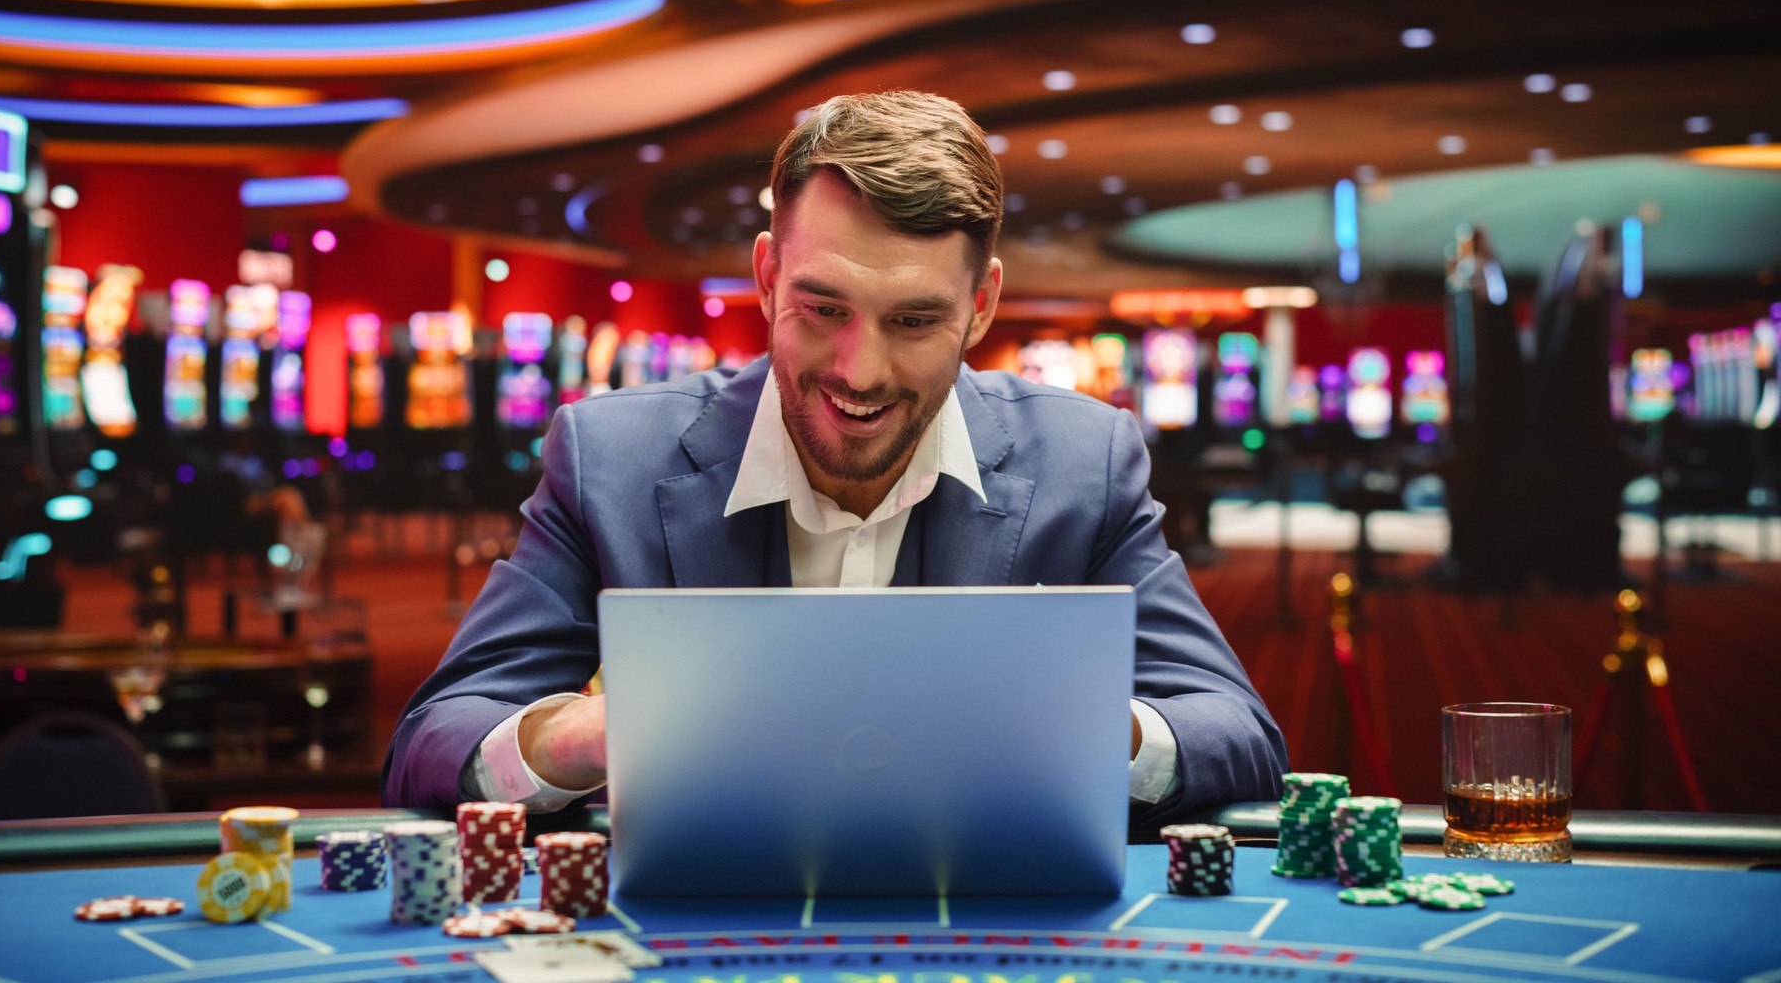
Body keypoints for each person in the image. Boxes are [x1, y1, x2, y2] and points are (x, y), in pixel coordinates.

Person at [384, 90, 1287, 818]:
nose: (861, 371)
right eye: (823, 309)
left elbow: (1236, 733)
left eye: (916, 321)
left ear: (981, 306)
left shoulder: (1085, 459)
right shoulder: (608, 455)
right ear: (769, 275)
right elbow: (434, 738)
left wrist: (1082, 723)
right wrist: (581, 739)